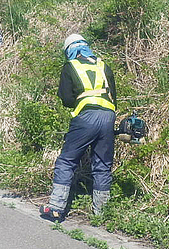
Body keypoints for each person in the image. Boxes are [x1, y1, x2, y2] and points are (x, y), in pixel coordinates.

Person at [40, 34, 117, 221]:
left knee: (67, 161)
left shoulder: (70, 66)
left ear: (69, 50)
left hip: (85, 117)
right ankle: (102, 213)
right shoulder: (103, 65)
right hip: (108, 116)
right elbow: (113, 95)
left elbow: (66, 99)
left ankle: (57, 207)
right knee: (102, 165)